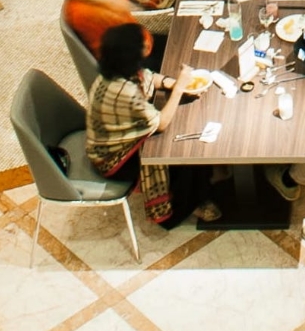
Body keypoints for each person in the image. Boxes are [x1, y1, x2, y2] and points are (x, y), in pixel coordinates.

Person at [84, 19, 219, 226]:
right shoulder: (124, 92)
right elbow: (161, 123)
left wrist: (174, 83)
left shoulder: (115, 71)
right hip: (114, 157)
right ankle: (189, 205)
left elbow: (149, 76)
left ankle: (207, 176)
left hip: (112, 136)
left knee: (185, 130)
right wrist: (180, 89)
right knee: (181, 149)